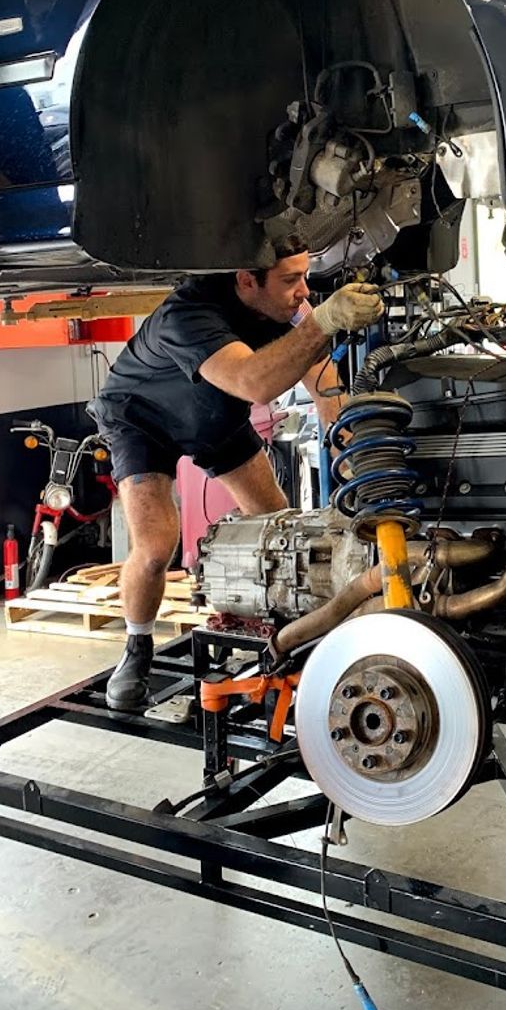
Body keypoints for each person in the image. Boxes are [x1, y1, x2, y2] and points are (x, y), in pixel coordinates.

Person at [88, 234, 383, 709]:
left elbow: (320, 377)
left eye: (305, 277)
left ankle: (282, 636)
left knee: (279, 526)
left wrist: (348, 438)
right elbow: (255, 383)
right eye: (291, 280)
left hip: (212, 418)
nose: (304, 291)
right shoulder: (187, 316)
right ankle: (136, 649)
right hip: (141, 420)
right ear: (248, 280)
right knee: (156, 544)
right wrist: (326, 321)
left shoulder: (285, 310)